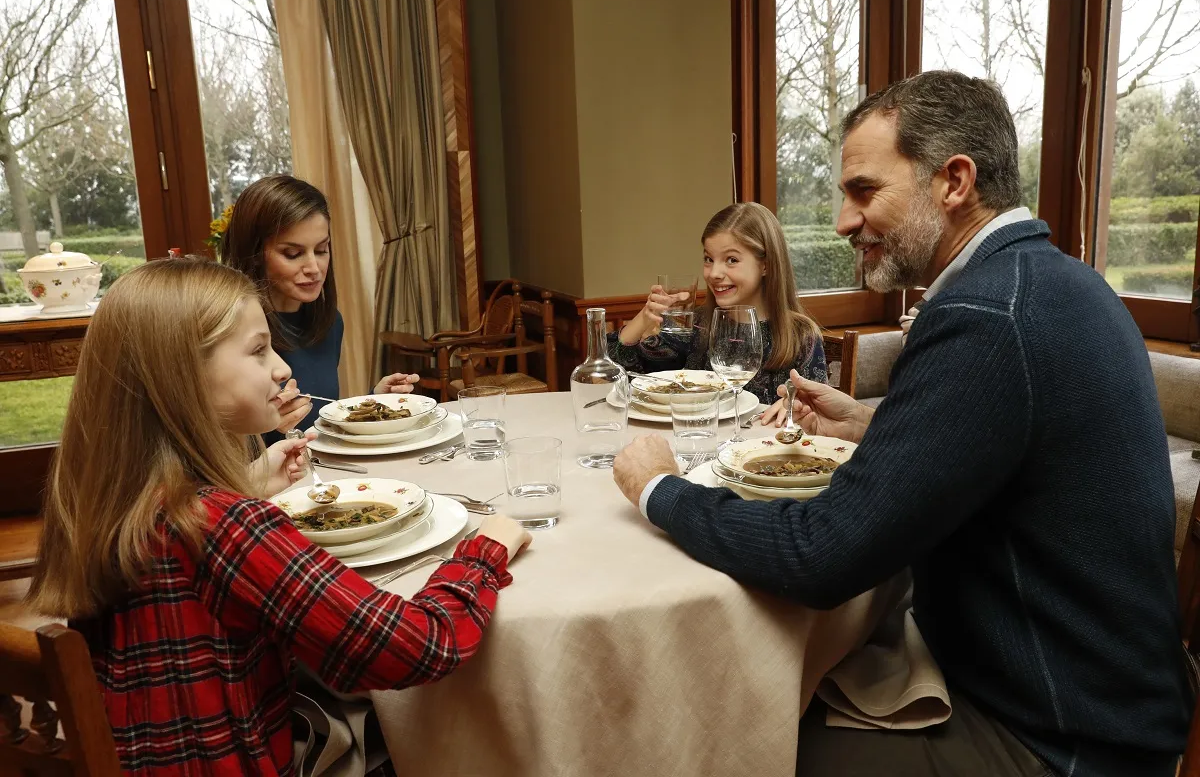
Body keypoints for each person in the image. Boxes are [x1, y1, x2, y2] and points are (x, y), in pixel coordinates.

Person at [611, 71, 1190, 776]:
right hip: (1100, 697)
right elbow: (1007, 449)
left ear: (954, 182)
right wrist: (876, 428)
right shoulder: (1055, 281)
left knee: (736, 737)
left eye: (863, 191)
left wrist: (659, 490)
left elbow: (821, 557)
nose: (843, 221)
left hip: (1063, 737)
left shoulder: (984, 316)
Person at [26, 257, 532, 775]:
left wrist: (245, 484)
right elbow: (417, 646)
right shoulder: (225, 528)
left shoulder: (107, 498)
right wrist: (485, 550)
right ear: (181, 374)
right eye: (258, 350)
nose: (283, 368)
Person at [219, 174, 420, 444]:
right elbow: (214, 455)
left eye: (322, 250)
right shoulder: (227, 333)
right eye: (293, 254)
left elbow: (318, 421)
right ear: (253, 255)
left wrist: (373, 401)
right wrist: (267, 429)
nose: (314, 268)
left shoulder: (330, 323)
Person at [607, 202, 828, 405]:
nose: (714, 273)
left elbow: (816, 413)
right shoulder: (697, 325)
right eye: (708, 259)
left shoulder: (802, 337)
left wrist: (795, 408)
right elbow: (616, 373)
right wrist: (644, 316)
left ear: (766, 266)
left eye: (731, 260)